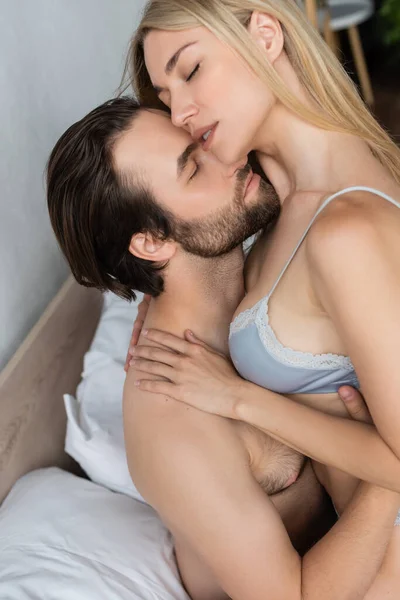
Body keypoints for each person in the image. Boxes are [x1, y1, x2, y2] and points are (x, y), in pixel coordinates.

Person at [47, 97, 400, 600]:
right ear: (151, 243)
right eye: (193, 168)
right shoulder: (174, 418)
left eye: (202, 145)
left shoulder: (265, 268)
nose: (230, 157)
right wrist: (387, 469)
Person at [126, 0, 400, 524]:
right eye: (165, 96)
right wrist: (162, 292)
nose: (179, 112)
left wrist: (240, 400)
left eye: (191, 70)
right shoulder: (275, 203)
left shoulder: (346, 228)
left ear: (266, 36)